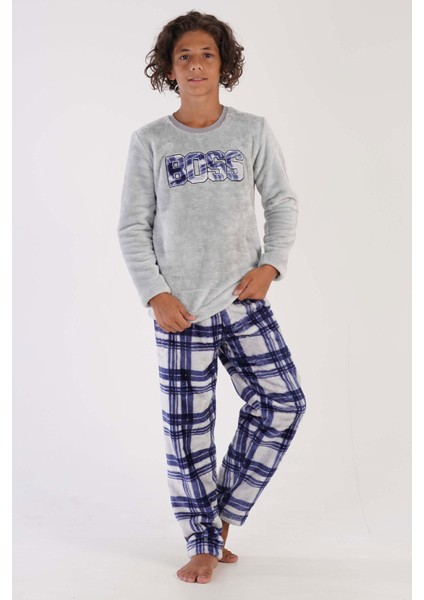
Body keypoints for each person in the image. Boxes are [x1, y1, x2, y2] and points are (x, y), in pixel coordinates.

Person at [117, 10, 307, 584]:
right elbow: (133, 226)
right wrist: (155, 295)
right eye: (184, 56)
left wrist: (271, 266)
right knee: (188, 431)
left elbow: (282, 202)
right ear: (168, 68)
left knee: (283, 403)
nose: (196, 65)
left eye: (206, 55)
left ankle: (220, 516)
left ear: (224, 64)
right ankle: (201, 542)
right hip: (180, 312)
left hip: (245, 302)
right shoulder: (151, 141)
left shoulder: (251, 131)